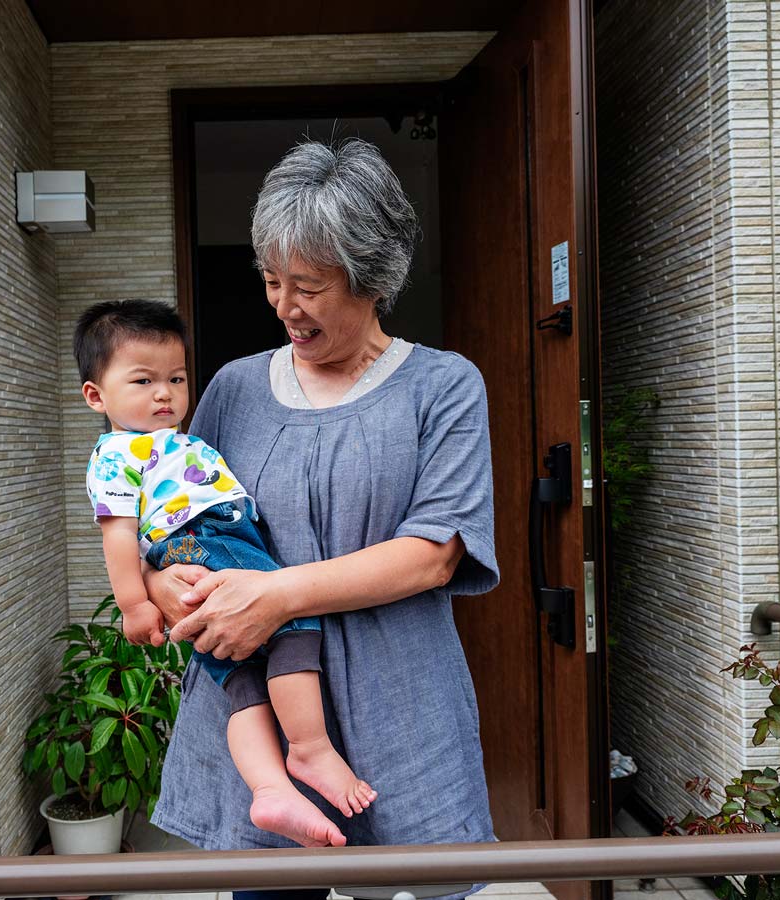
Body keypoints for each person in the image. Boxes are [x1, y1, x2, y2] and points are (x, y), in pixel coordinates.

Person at [144, 138, 500, 900]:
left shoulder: (442, 388)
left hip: (399, 712)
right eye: (272, 280)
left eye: (307, 285)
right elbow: (180, 515)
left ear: (371, 278)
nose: (283, 306)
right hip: (260, 727)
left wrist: (275, 596)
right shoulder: (235, 389)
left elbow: (433, 555)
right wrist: (162, 579)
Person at [75, 299, 376, 849]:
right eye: (142, 380)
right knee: (293, 624)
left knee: (241, 679)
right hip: (203, 538)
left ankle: (270, 790)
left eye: (176, 377)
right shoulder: (118, 453)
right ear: (97, 396)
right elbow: (116, 535)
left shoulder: (171, 439)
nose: (164, 393)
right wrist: (136, 604)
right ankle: (308, 749)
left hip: (198, 546)